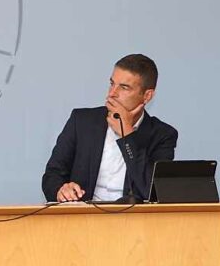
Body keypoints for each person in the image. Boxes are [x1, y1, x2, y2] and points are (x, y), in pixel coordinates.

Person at [42, 54, 178, 203]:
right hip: (84, 218)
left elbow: (153, 191)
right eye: (112, 83)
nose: (112, 93)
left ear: (147, 96)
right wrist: (61, 190)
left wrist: (127, 136)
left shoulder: (163, 135)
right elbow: (52, 175)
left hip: (133, 221)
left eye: (124, 87)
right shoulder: (81, 121)